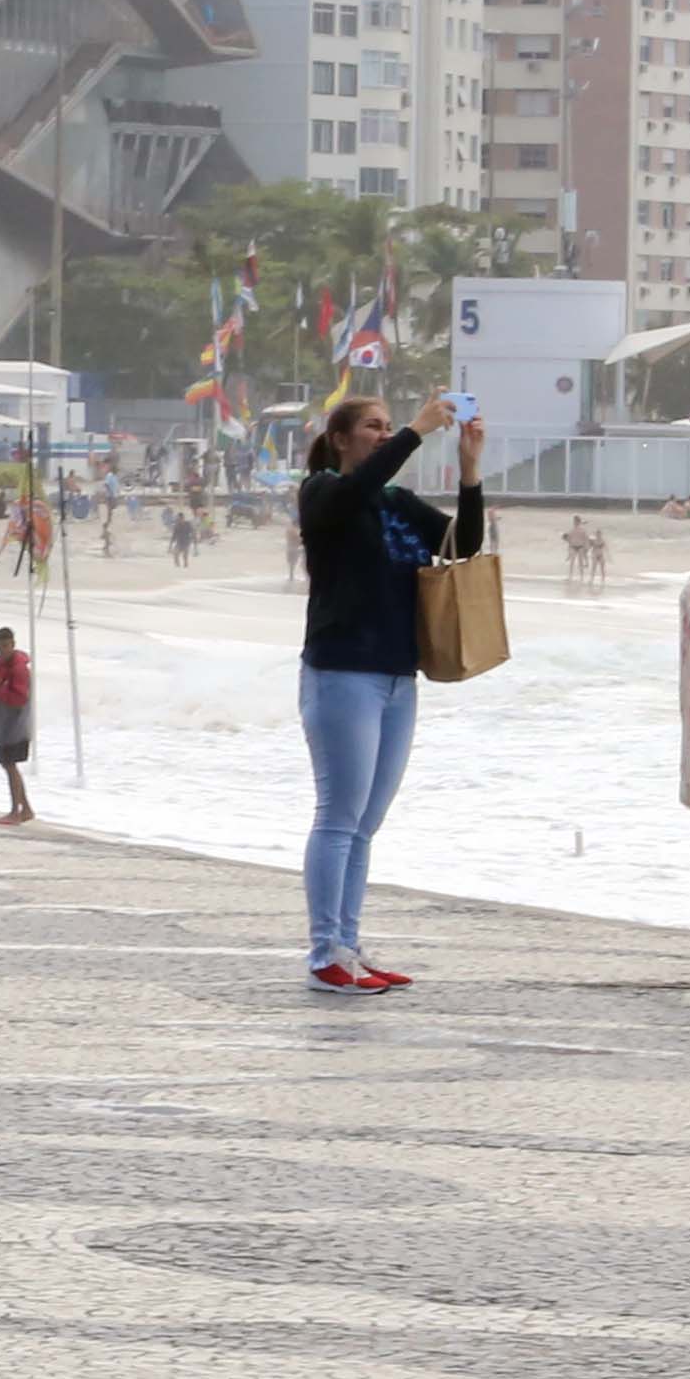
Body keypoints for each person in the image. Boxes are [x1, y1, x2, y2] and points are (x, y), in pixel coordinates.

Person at [292, 390, 483, 993]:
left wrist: (471, 472)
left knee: (366, 824)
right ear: (343, 438)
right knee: (338, 817)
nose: (382, 434)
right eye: (372, 427)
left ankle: (348, 943)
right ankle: (325, 951)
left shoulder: (397, 501)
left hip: (399, 675)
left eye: (386, 426)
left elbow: (463, 545)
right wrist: (417, 431)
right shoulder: (323, 492)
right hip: (342, 671)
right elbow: (355, 490)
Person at [0, 626, 35, 825]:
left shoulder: (19, 668)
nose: (2, 650)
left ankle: (16, 811)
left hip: (16, 725)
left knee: (10, 764)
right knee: (7, 764)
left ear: (13, 644)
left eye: (6, 646)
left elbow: (19, 699)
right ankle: (26, 810)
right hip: (3, 723)